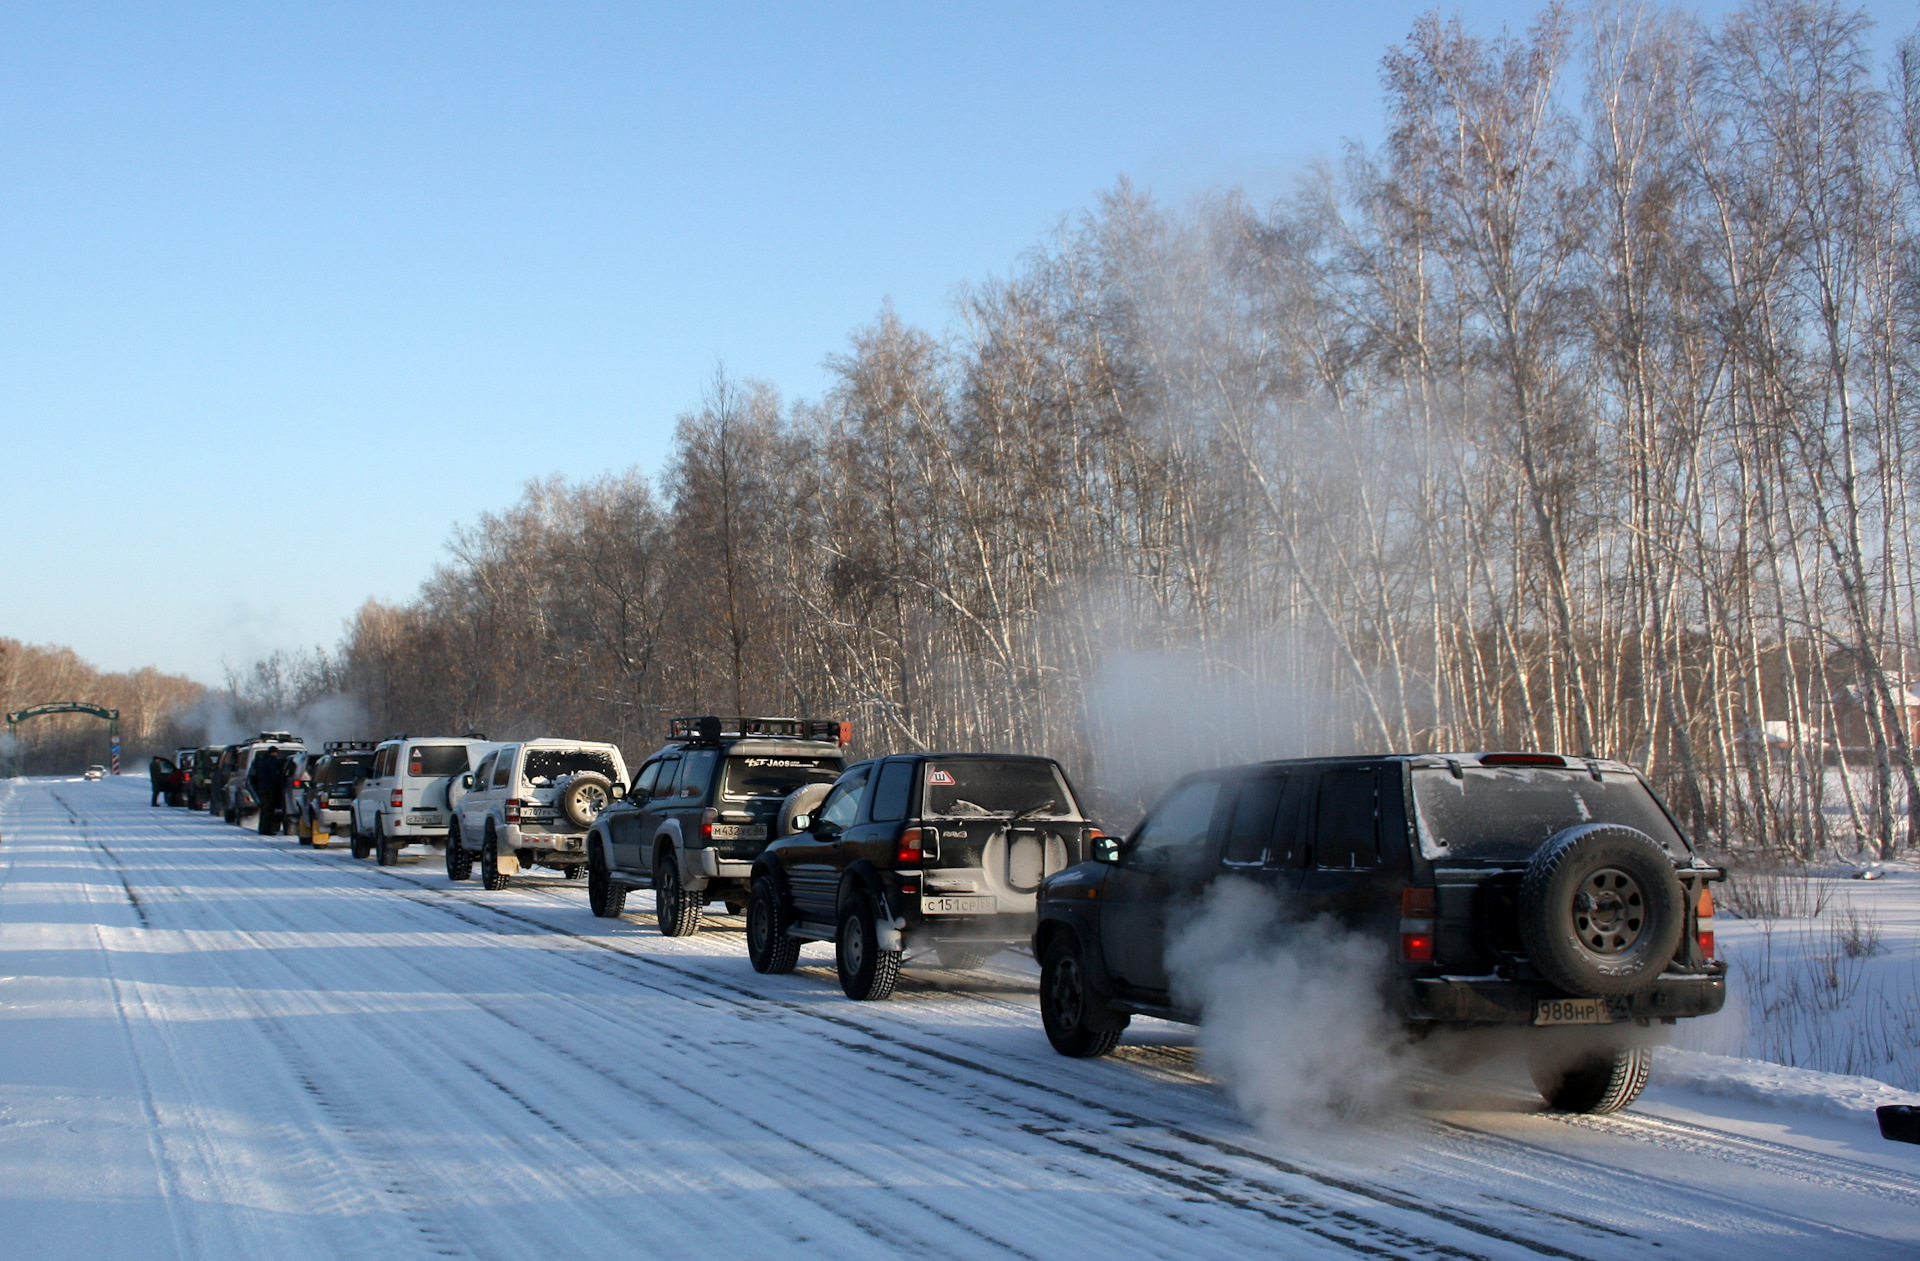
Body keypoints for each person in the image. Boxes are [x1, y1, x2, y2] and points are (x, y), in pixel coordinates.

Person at [249, 749, 286, 835]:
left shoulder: (260, 761)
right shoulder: (272, 761)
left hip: (261, 787)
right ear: (273, 753)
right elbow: (273, 775)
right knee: (268, 810)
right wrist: (279, 783)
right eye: (276, 753)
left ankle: (262, 828)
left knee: (264, 809)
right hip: (269, 788)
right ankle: (266, 829)